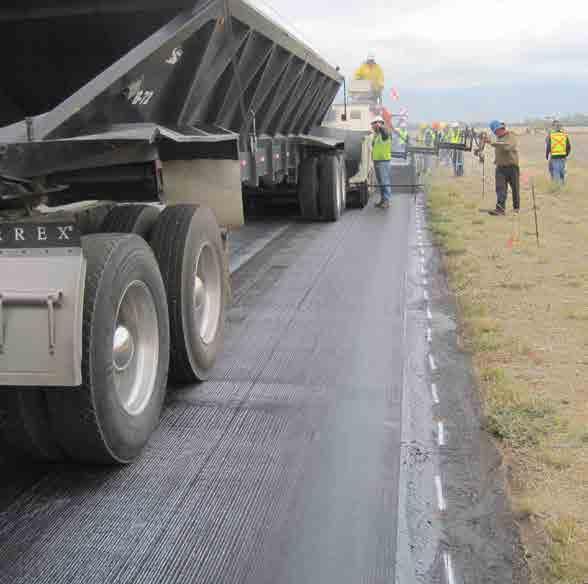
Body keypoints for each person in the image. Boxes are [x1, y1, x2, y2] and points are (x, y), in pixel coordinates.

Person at [485, 120, 520, 216]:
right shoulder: (497, 138)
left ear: (502, 128)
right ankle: (500, 209)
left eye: (497, 130)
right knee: (500, 189)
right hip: (500, 167)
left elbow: (507, 147)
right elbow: (498, 145)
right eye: (495, 131)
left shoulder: (511, 136)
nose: (497, 133)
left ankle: (516, 208)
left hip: (512, 167)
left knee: (515, 188)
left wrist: (492, 143)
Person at [371, 116, 392, 208]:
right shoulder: (377, 136)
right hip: (377, 161)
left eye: (376, 124)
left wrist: (380, 126)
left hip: (384, 161)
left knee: (384, 181)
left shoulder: (385, 134)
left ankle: (386, 201)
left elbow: (385, 132)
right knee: (381, 182)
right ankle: (383, 200)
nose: (374, 126)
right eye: (373, 124)